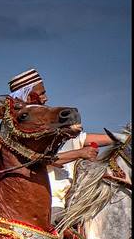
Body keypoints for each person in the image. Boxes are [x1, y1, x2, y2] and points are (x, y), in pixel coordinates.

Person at [7, 69, 114, 220]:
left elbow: (83, 139)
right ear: (28, 96)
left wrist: (120, 137)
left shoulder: (50, 124)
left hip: (69, 198)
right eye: (41, 93)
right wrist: (80, 153)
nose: (46, 98)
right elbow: (39, 160)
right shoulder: (21, 129)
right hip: (47, 201)